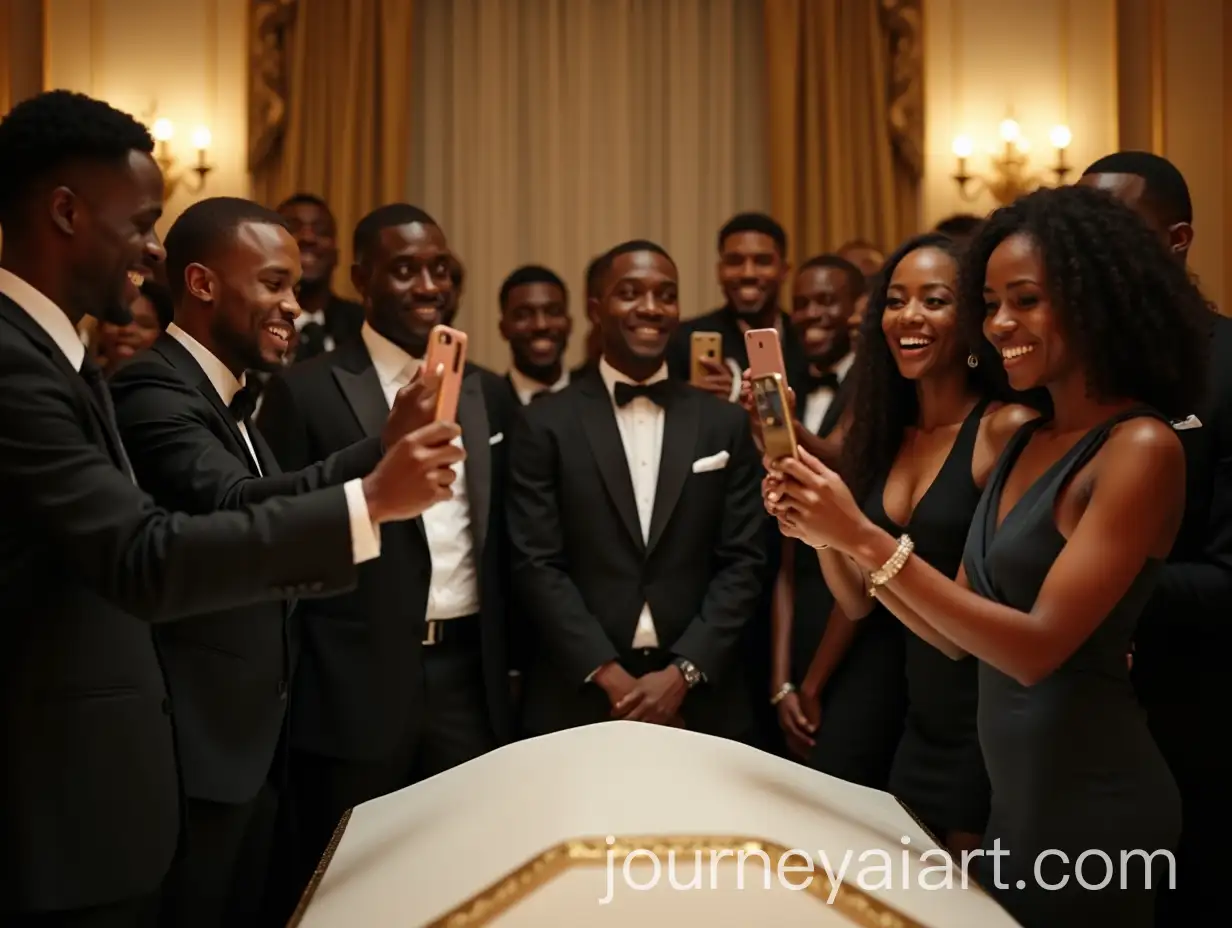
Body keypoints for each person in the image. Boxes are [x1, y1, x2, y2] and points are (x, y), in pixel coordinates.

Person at [0, 90, 463, 927]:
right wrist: (371, 499)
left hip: (207, 755)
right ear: (65, 211)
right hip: (76, 779)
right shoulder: (34, 365)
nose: (150, 251)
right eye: (140, 221)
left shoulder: (71, 364)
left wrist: (376, 456)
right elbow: (155, 549)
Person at [764, 184, 1208, 927]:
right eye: (992, 302)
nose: (1001, 324)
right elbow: (949, 635)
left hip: (1096, 797)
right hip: (1015, 800)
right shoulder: (1029, 443)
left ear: (1097, 298)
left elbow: (1036, 650)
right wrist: (834, 536)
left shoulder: (1141, 447)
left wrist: (866, 537)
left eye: (1026, 300)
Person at [108, 196, 441, 927]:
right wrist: (379, 474)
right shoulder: (150, 387)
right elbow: (238, 505)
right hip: (196, 755)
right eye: (272, 284)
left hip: (257, 749)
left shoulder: (230, 401)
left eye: (293, 286)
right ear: (200, 284)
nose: (293, 305)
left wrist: (384, 442)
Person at [255, 203, 517, 916]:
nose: (428, 284)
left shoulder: (489, 391)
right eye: (404, 270)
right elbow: (280, 534)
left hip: (468, 678)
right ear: (361, 278)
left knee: (467, 880)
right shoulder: (305, 389)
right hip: (350, 685)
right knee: (349, 885)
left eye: (438, 268)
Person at [785, 234, 1037, 851]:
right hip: (918, 724)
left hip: (987, 729)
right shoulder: (891, 436)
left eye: (934, 300)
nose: (909, 316)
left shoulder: (1005, 429)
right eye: (895, 301)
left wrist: (854, 533)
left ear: (973, 320)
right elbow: (857, 603)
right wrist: (817, 534)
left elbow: (958, 638)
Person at [507, 239, 765, 739]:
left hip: (703, 695)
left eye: (666, 295)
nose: (651, 307)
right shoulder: (542, 424)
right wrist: (610, 676)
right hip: (577, 694)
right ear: (595, 308)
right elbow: (535, 563)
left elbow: (745, 560)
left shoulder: (724, 425)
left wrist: (683, 673)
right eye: (630, 293)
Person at [1079, 151, 1232, 927]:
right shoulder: (1063, 370)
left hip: (1189, 722)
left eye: (1115, 236)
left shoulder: (1228, 368)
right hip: (1056, 727)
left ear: (1177, 241)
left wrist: (1093, 590)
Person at [497, 264, 573, 404]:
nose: (541, 325)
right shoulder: (484, 406)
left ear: (569, 324)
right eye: (523, 315)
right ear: (503, 328)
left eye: (553, 312)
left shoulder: (600, 399)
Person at [95, 278, 172, 374]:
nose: (126, 330)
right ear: (99, 326)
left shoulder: (176, 385)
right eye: (116, 319)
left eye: (144, 324)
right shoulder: (79, 380)